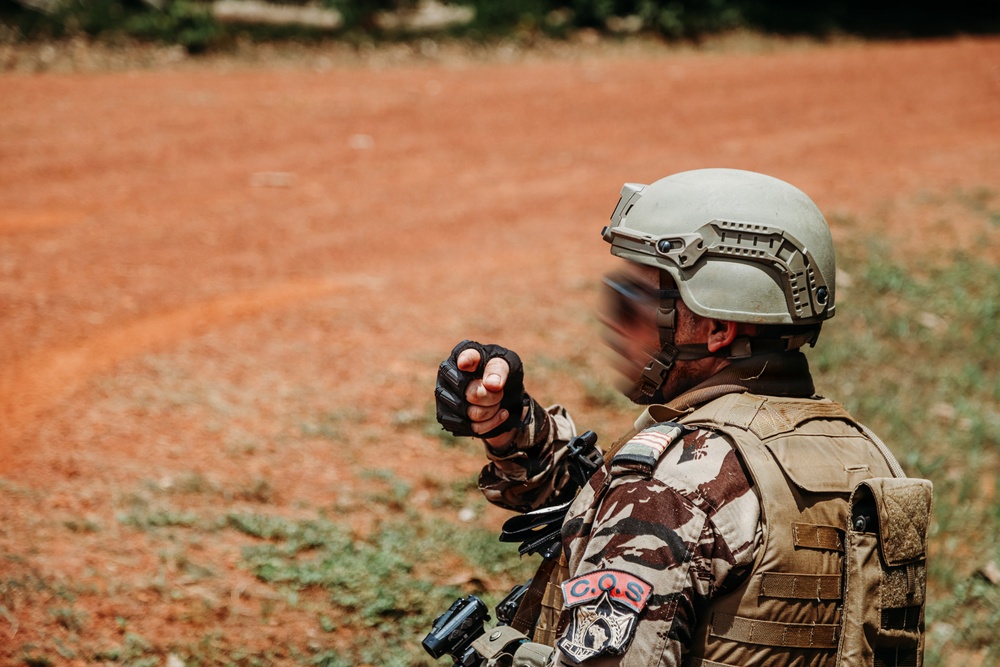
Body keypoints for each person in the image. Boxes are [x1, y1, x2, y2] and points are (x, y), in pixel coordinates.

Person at [434, 168, 930, 667]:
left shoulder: (672, 488)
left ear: (715, 328)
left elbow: (666, 512)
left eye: (630, 303)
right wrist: (514, 427)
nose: (611, 320)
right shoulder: (867, 459)